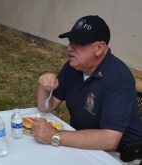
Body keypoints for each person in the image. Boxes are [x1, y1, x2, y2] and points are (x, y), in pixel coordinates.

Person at [34, 15, 142, 152]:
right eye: (70, 42)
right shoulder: (73, 67)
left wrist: (54, 136)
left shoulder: (118, 77)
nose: (69, 48)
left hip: (122, 154)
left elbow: (110, 140)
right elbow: (46, 107)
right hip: (84, 143)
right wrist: (44, 85)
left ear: (99, 48)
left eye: (78, 44)